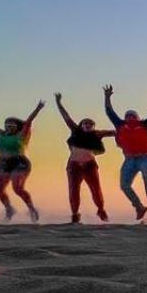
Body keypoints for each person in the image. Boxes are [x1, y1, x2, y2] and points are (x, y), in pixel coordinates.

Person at [103, 84, 147, 220]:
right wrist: (107, 96)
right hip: (129, 160)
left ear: (137, 117)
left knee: (146, 173)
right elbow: (109, 112)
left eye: (132, 115)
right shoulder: (120, 125)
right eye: (127, 115)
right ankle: (139, 207)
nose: (130, 117)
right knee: (124, 185)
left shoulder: (144, 124)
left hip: (145, 157)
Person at [54, 93, 114, 223]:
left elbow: (115, 132)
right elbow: (66, 117)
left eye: (90, 124)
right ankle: (75, 214)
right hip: (74, 165)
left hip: (89, 165)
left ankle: (101, 210)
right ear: (81, 125)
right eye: (84, 123)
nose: (87, 125)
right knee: (74, 190)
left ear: (93, 126)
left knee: (96, 189)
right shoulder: (76, 131)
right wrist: (59, 103)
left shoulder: (97, 134)